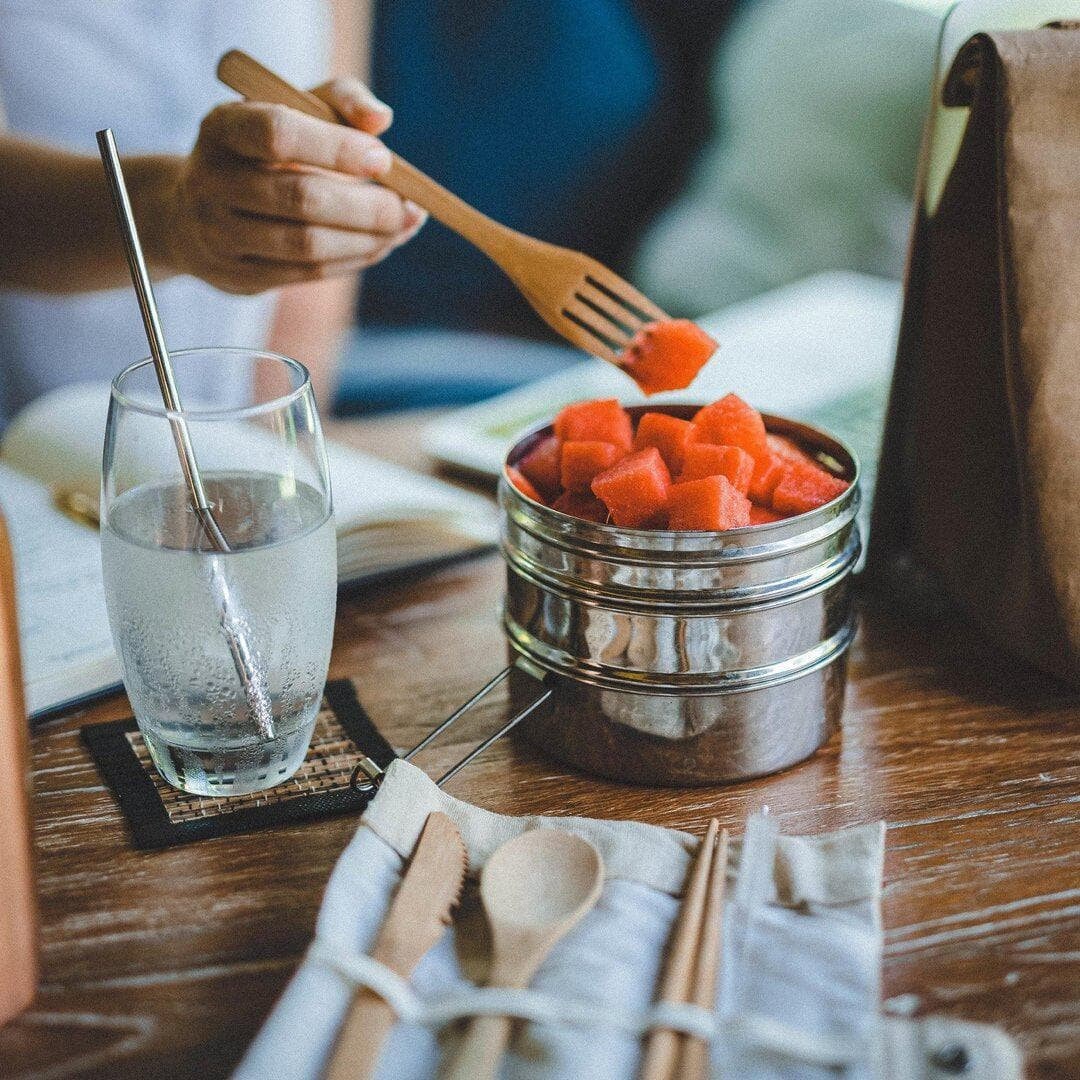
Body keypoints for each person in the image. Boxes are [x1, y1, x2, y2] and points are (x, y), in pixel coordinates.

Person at [0, 0, 424, 423]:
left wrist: (277, 437)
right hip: (34, 431)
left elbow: (323, 188)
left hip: (243, 403)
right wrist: (170, 218)